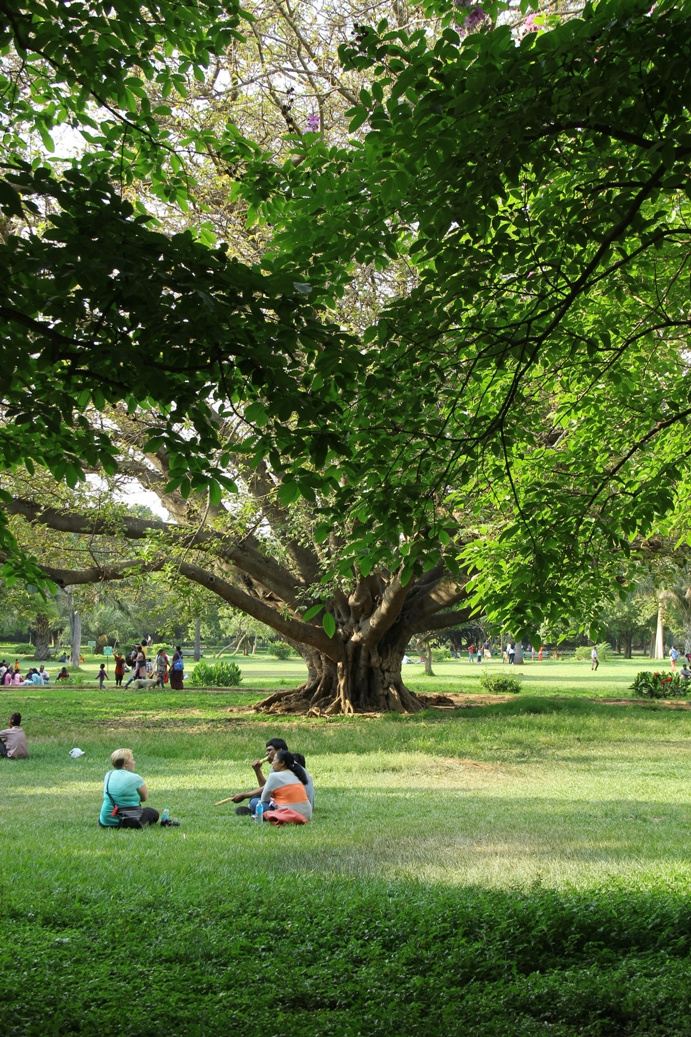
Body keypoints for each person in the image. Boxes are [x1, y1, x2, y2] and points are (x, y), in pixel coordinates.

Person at [232, 737, 314, 815]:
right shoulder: (296, 768)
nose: (266, 754)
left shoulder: (277, 771)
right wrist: (257, 770)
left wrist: (244, 795)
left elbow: (265, 795)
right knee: (257, 797)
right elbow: (267, 787)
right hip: (307, 809)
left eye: (269, 750)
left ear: (280, 751)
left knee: (255, 801)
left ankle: (259, 814)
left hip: (290, 809)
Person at [99, 748, 160, 827]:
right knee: (152, 812)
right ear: (125, 763)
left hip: (106, 820)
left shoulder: (108, 775)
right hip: (129, 820)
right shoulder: (136, 778)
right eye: (132, 759)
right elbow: (144, 798)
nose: (134, 762)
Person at [258, 750, 312, 821]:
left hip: (289, 814)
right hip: (307, 815)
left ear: (282, 763)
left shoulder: (274, 776)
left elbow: (264, 799)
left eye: (274, 760)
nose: (272, 763)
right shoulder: (297, 775)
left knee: (255, 802)